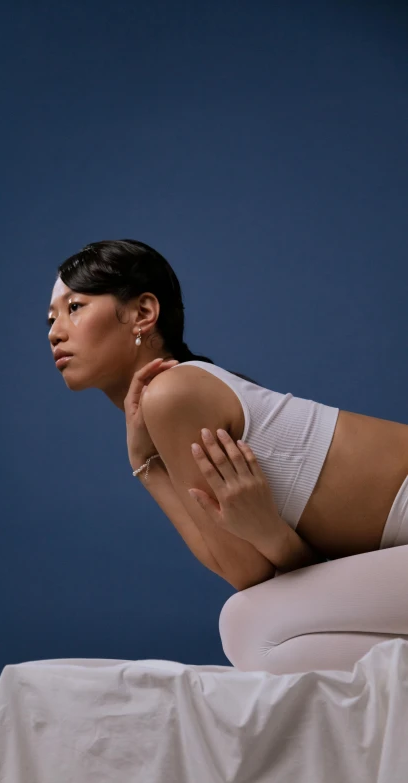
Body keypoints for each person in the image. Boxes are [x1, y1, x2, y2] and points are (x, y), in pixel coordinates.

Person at [46, 238, 408, 675]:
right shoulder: (178, 396)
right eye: (51, 318)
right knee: (250, 628)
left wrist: (268, 537)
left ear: (143, 312)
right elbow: (264, 577)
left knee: (251, 627)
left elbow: (248, 573)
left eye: (75, 307)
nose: (54, 331)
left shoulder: (173, 393)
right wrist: (144, 466)